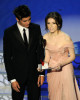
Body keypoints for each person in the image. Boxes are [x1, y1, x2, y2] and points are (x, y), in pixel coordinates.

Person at [3, 5, 44, 100]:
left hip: (35, 75)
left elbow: (40, 53)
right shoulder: (9, 32)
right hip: (17, 77)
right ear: (17, 19)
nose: (28, 22)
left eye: (29, 19)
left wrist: (41, 73)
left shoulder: (36, 28)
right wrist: (12, 79)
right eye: (25, 21)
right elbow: (7, 57)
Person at [43, 12, 80, 100]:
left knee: (67, 93)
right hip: (52, 69)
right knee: (54, 94)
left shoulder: (66, 37)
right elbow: (47, 57)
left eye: (53, 23)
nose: (50, 26)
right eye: (48, 23)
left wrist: (61, 64)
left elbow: (72, 57)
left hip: (65, 67)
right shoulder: (45, 37)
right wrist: (42, 66)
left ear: (58, 24)